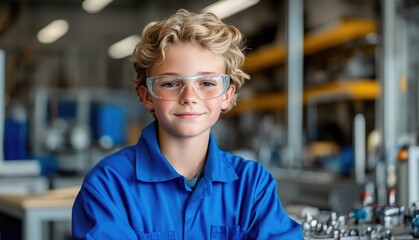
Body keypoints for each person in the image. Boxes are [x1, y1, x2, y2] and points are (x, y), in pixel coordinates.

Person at [72, 9, 303, 239]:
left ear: (227, 95)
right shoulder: (109, 185)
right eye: (171, 83)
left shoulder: (252, 185)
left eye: (206, 83)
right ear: (147, 96)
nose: (189, 96)